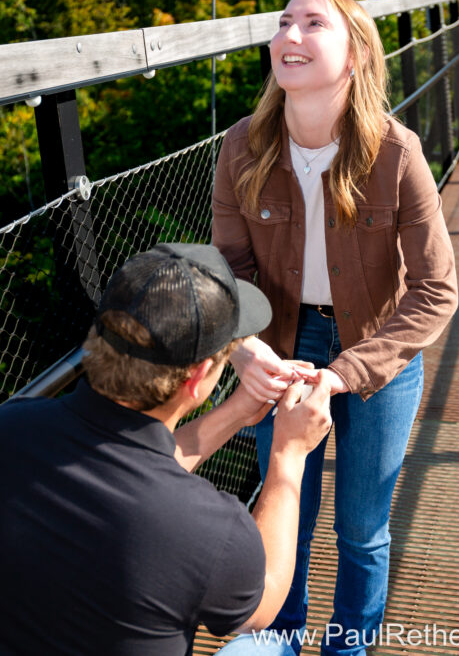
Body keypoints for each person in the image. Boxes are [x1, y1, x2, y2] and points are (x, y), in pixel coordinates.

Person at [212, 0, 459, 656]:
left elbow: (436, 290)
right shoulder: (241, 148)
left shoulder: (396, 154)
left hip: (379, 354)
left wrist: (346, 373)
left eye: (311, 23)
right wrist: (244, 351)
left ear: (353, 54)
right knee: (283, 513)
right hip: (281, 346)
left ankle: (346, 650)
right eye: (283, 21)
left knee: (361, 530)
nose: (289, 35)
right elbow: (229, 272)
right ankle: (280, 641)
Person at [0, 243, 332, 656]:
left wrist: (237, 412)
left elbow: (126, 467)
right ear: (197, 379)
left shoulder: (12, 425)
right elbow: (261, 608)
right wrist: (288, 456)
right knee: (269, 648)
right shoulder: (207, 528)